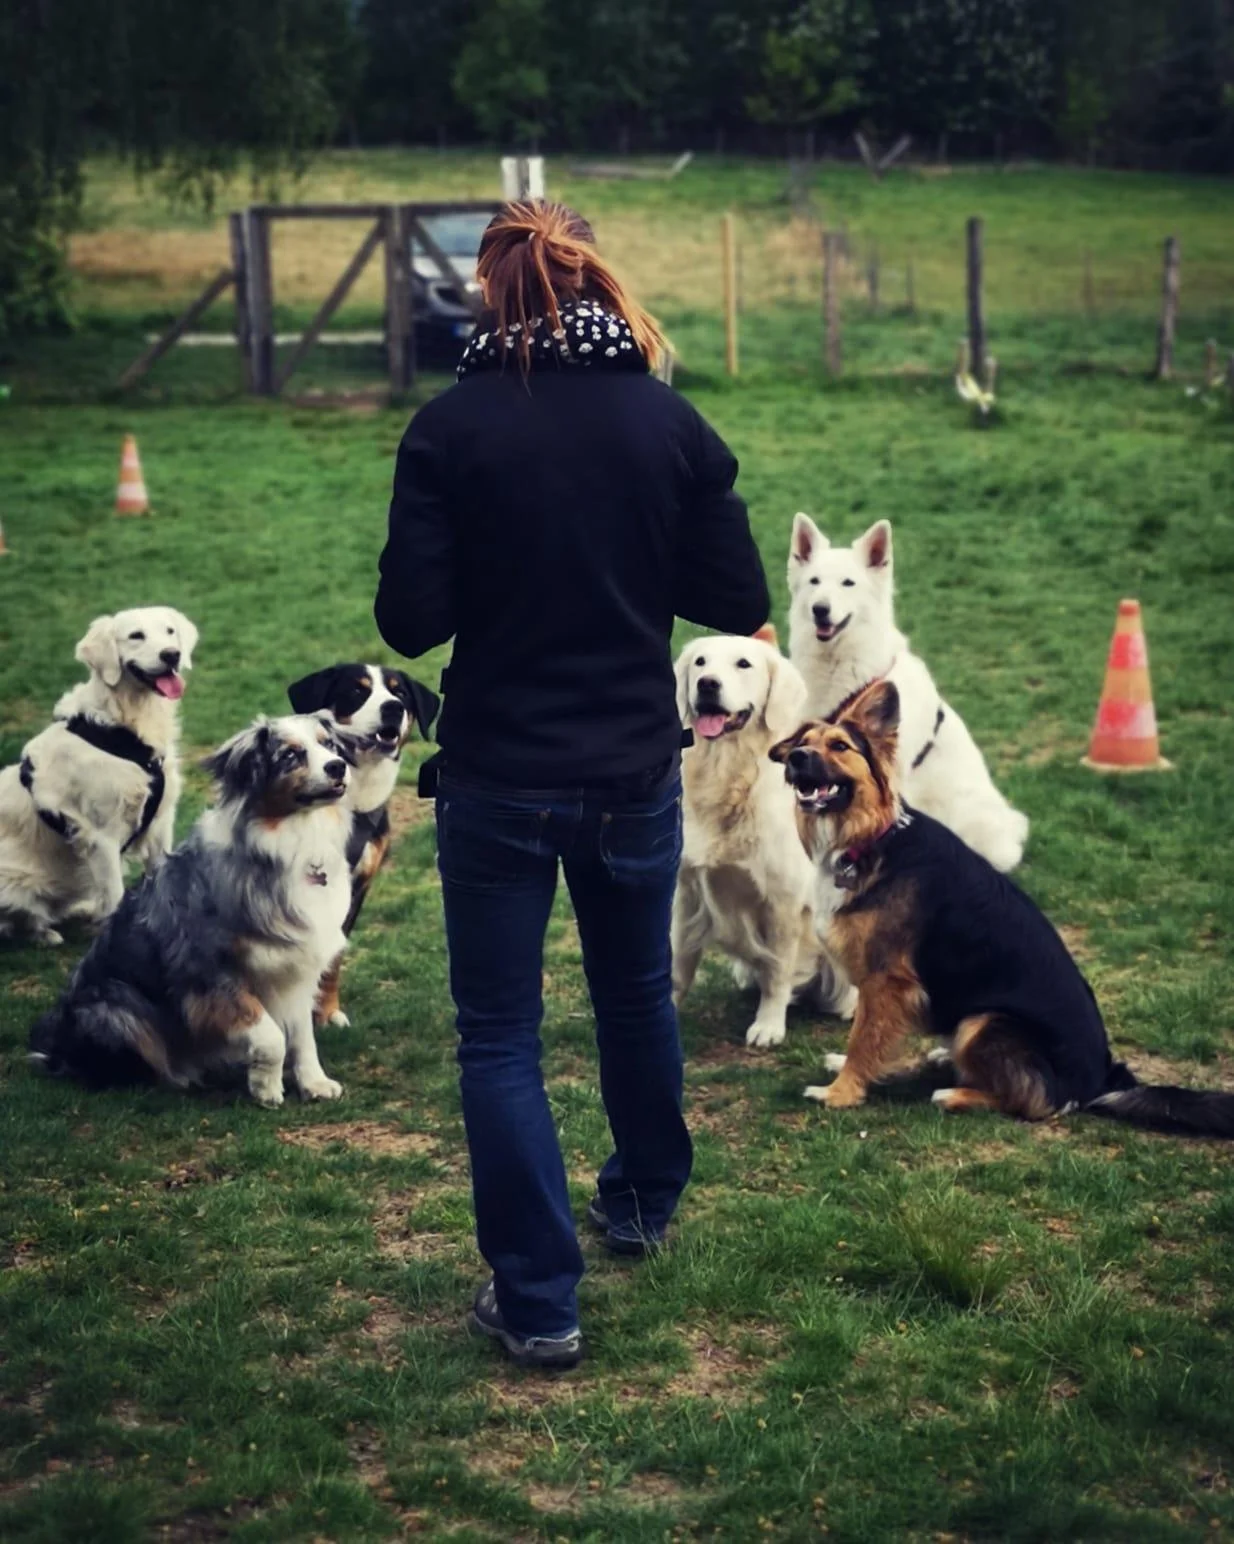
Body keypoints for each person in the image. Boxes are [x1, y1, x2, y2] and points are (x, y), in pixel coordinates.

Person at [374, 200, 770, 1371]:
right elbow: (729, 590)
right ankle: (643, 1199)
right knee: (636, 991)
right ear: (598, 279)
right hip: (632, 768)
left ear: (485, 295)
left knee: (499, 1034)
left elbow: (408, 618)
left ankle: (540, 1294)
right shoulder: (669, 422)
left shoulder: (448, 429)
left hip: (499, 771)